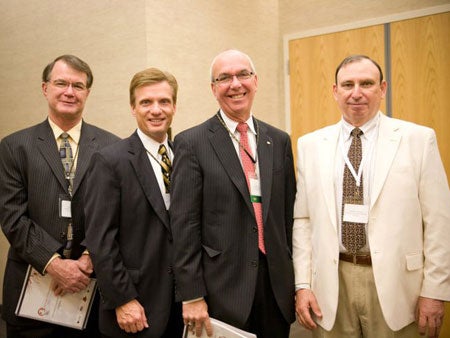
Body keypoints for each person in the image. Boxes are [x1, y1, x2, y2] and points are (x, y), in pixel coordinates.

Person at [293, 54, 450, 338]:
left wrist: (435, 290)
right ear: (335, 91)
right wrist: (302, 284)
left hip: (399, 286)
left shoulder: (417, 139)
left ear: (383, 89)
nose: (356, 93)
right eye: (347, 84)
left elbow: (440, 222)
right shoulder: (310, 145)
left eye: (366, 83)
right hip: (332, 281)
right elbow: (303, 220)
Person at [170, 49, 296, 338]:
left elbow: (288, 217)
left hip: (276, 287)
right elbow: (184, 225)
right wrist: (191, 294)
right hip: (222, 288)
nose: (235, 84)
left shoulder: (278, 140)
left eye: (243, 75)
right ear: (213, 89)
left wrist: (298, 284)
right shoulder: (192, 142)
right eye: (224, 78)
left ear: (256, 81)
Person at [0, 54, 120, 337]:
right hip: (32, 289)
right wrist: (54, 264)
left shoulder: (112, 147)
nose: (69, 92)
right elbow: (12, 217)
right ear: (45, 88)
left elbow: (116, 213)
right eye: (61, 83)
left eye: (77, 86)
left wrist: (89, 259)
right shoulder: (15, 147)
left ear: (87, 93)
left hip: (92, 289)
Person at [84, 67, 183, 337]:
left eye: (164, 101)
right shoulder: (110, 161)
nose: (156, 110)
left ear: (174, 106)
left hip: (183, 305)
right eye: (146, 102)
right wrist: (122, 299)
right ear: (133, 108)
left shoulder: (185, 157)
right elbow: (100, 239)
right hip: (135, 304)